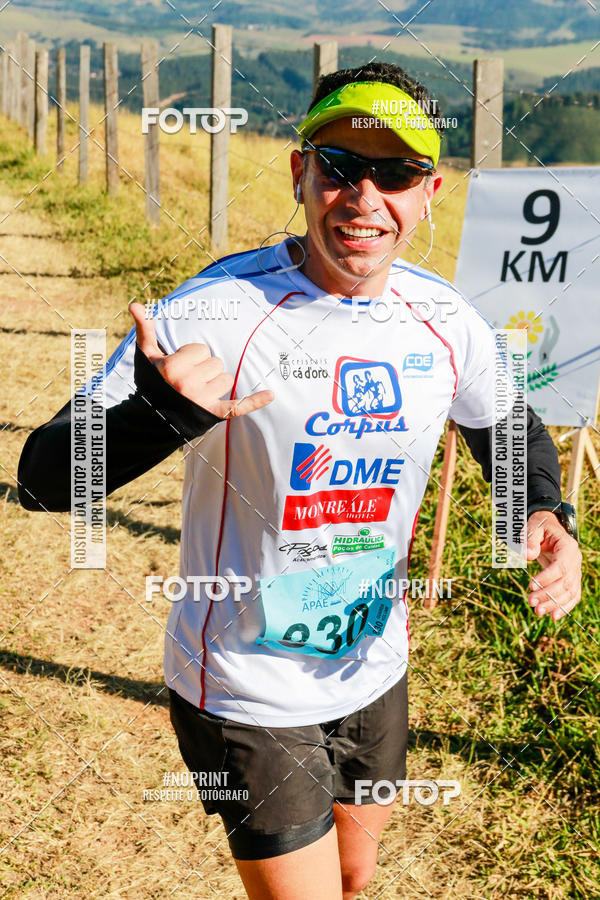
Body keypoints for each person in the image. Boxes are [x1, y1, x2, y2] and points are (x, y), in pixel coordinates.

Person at [18, 62, 582, 900]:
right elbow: (43, 477)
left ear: (430, 193)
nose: (364, 197)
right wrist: (159, 412)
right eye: (340, 167)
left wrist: (543, 511)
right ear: (300, 173)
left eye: (396, 173)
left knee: (354, 874)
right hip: (243, 684)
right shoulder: (216, 310)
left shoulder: (443, 318)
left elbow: (505, 424)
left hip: (374, 664)